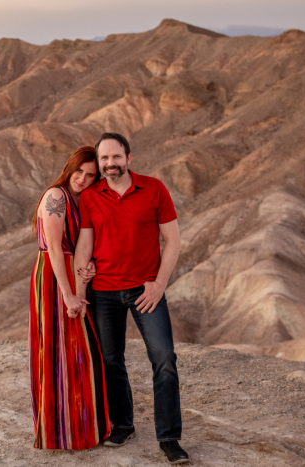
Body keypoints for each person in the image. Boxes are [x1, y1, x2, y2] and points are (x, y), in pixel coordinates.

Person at [72, 133, 189, 464]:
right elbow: (85, 245)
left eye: (116, 157)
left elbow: (174, 241)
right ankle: (123, 425)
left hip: (145, 291)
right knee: (111, 361)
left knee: (164, 358)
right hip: (104, 291)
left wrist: (159, 284)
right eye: (104, 158)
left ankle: (169, 439)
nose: (111, 163)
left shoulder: (154, 190)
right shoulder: (91, 197)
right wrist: (80, 295)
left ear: (129, 158)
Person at [28, 145, 111, 450]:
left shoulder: (82, 201)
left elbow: (82, 248)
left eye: (90, 175)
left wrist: (86, 274)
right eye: (79, 171)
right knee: (56, 350)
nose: (83, 179)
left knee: (80, 350)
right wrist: (67, 294)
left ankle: (82, 427)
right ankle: (59, 431)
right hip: (53, 278)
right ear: (70, 168)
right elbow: (52, 247)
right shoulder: (56, 196)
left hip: (72, 278)